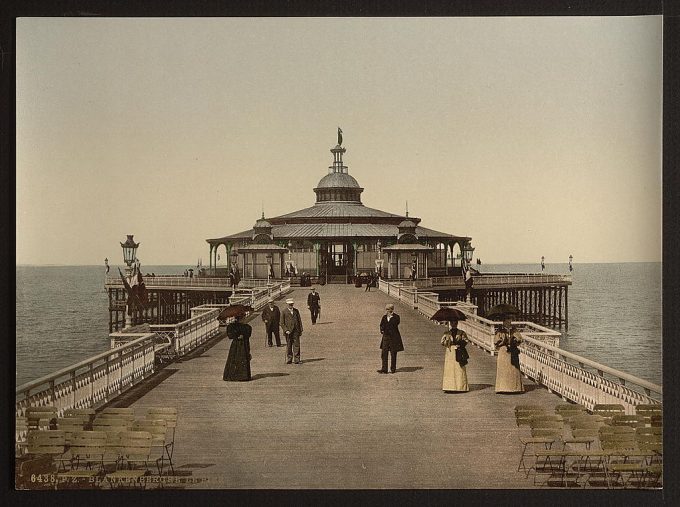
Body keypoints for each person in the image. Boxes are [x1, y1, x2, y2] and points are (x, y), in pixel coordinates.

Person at [494, 317, 524, 393]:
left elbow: (520, 339)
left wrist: (515, 340)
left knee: (513, 368)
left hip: (513, 350)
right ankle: (503, 387)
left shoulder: (514, 330)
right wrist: (503, 341)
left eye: (510, 320)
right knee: (504, 368)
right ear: (503, 322)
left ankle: (515, 387)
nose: (509, 322)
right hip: (504, 350)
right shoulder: (499, 331)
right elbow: (496, 341)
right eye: (507, 321)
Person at [223, 310, 252, 381]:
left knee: (239, 358)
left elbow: (248, 334)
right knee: (237, 358)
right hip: (238, 345)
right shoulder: (235, 326)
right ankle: (239, 376)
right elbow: (230, 335)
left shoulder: (245, 327)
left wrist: (241, 335)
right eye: (243, 318)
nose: (244, 319)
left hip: (241, 344)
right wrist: (237, 336)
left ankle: (240, 376)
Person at [441, 320, 469, 392]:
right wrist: (447, 341)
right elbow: (442, 342)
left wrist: (460, 343)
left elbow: (466, 341)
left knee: (459, 368)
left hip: (458, 350)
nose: (453, 324)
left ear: (457, 323)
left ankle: (460, 387)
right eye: (452, 323)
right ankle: (449, 386)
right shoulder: (447, 333)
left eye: (455, 323)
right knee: (450, 369)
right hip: (450, 351)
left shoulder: (461, 332)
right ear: (450, 323)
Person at [378, 304, 404, 374]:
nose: (386, 311)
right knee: (384, 353)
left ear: (391, 310)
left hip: (394, 338)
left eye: (388, 309)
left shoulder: (396, 317)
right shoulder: (384, 317)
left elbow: (395, 324)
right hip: (386, 337)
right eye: (386, 309)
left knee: (393, 353)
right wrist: (382, 329)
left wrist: (391, 317)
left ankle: (393, 369)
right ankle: (384, 369)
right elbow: (381, 325)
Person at [281, 298, 304, 364]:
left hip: (296, 330)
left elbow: (299, 320)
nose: (291, 305)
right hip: (288, 331)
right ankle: (289, 359)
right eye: (290, 304)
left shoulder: (296, 311)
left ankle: (297, 359)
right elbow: (282, 323)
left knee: (297, 345)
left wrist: (301, 329)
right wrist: (286, 330)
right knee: (289, 345)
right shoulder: (284, 311)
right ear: (287, 304)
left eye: (292, 304)